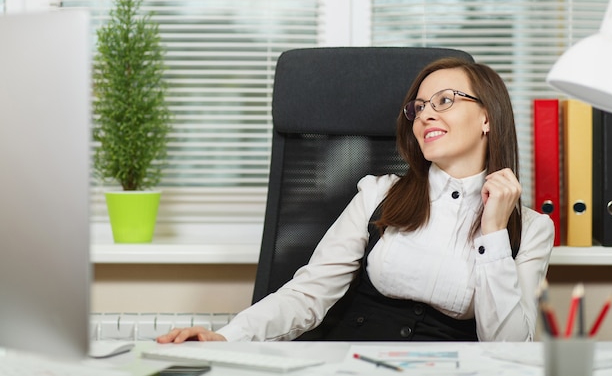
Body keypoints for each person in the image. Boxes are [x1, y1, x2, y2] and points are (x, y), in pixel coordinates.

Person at [157, 57, 554, 343]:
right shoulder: (380, 194)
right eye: (418, 108)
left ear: (487, 117)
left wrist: (494, 233)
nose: (425, 116)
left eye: (444, 101)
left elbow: (508, 353)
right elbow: (308, 293)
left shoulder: (532, 229)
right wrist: (226, 338)